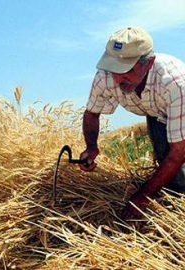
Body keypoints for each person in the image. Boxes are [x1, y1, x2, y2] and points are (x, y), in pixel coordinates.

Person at [79, 26, 185, 221]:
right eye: (114, 69)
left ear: (148, 63)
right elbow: (92, 113)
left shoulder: (175, 83)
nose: (118, 78)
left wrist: (141, 197)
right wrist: (91, 147)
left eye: (126, 70)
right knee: (165, 159)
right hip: (156, 111)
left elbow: (178, 152)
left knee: (179, 172)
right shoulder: (105, 76)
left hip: (178, 109)